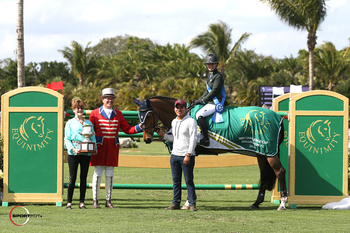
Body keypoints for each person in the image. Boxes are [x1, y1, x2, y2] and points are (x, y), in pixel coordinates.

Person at [89, 88, 142, 208]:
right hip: (99, 148)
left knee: (110, 174)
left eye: (112, 98)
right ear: (103, 99)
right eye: (107, 98)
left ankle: (108, 200)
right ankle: (95, 200)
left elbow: (127, 129)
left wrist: (140, 127)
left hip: (112, 148)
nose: (110, 100)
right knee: (97, 174)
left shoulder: (118, 114)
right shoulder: (95, 113)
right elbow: (91, 131)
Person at [156, 99, 198, 211]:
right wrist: (163, 135)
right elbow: (175, 139)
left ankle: (192, 203)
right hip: (175, 154)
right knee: (176, 181)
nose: (179, 109)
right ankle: (176, 203)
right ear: (174, 109)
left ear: (185, 109)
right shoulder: (174, 122)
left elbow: (194, 139)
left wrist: (188, 154)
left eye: (181, 107)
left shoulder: (191, 121)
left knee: (189, 180)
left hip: (186, 155)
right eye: (177, 107)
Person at [64, 99, 96, 210]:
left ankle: (82, 202)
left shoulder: (89, 123)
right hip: (73, 153)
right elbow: (67, 139)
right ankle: (69, 202)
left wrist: (94, 148)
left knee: (83, 178)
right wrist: (73, 149)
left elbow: (92, 137)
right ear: (73, 110)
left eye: (81, 108)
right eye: (77, 108)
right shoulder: (69, 123)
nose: (79, 110)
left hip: (86, 154)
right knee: (72, 177)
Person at [193, 53, 227, 146]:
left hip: (216, 102)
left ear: (216, 64)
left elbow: (214, 91)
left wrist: (203, 99)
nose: (210, 66)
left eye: (212, 64)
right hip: (210, 101)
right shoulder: (210, 75)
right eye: (208, 64)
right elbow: (208, 90)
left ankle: (206, 139)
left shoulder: (218, 76)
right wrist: (199, 100)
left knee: (199, 115)